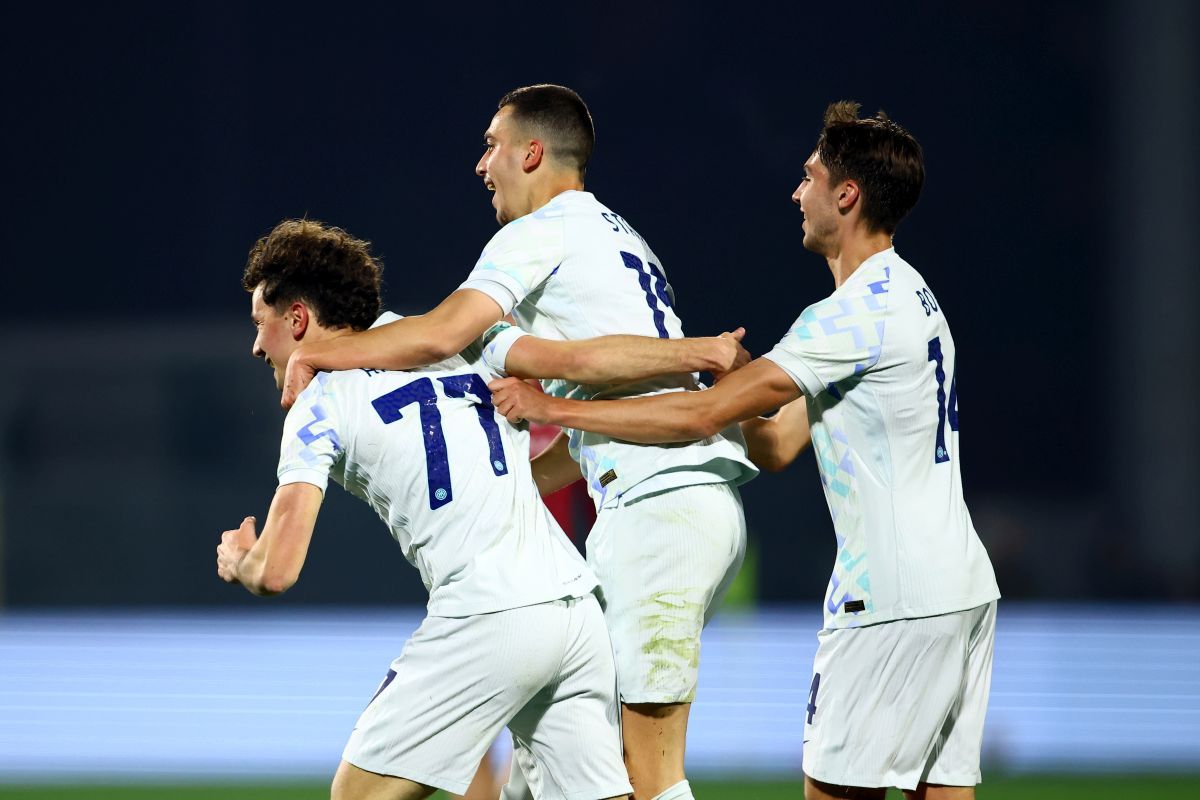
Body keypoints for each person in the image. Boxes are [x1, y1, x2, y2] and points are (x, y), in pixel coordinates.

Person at [488, 102, 1001, 800]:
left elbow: (702, 416)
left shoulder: (851, 315)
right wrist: (733, 381)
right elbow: (778, 441)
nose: (797, 193)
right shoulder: (913, 296)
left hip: (890, 597)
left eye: (810, 177)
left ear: (846, 196)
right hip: (963, 587)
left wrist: (558, 409)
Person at [281, 85, 759, 800]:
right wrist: (510, 483)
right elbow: (588, 380)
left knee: (649, 776)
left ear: (532, 153)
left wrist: (319, 354)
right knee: (542, 780)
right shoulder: (619, 235)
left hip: (656, 509)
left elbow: (443, 332)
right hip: (681, 501)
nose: (481, 165)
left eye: (491, 146)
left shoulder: (539, 231)